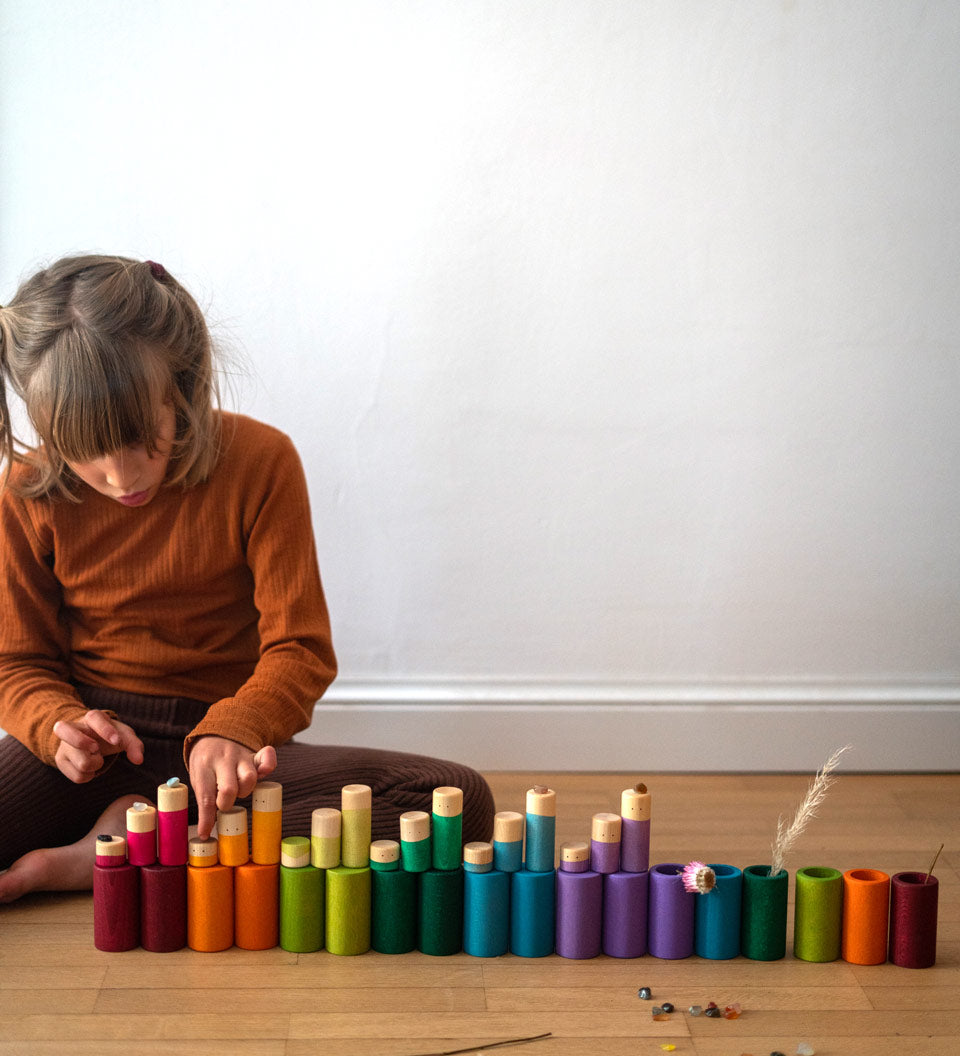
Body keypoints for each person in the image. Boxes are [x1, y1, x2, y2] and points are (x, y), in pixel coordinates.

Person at [0, 254, 494, 902]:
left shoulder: (261, 463)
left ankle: (114, 851)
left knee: (459, 804)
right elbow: (18, 663)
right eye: (85, 449)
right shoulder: (28, 491)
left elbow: (301, 650)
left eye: (142, 436)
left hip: (234, 757)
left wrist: (236, 727)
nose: (121, 476)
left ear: (182, 385)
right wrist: (59, 725)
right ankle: (159, 843)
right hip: (103, 750)